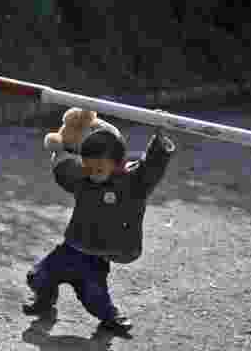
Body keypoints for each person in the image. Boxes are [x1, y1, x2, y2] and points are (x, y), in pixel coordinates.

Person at [23, 112, 176, 332]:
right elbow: (65, 169)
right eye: (87, 167)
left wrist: (159, 138)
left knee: (95, 297)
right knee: (37, 277)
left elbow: (151, 167)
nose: (92, 174)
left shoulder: (133, 183)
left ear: (117, 163)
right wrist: (61, 150)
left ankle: (111, 317)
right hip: (69, 249)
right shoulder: (84, 179)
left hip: (95, 259)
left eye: (99, 169)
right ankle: (45, 301)